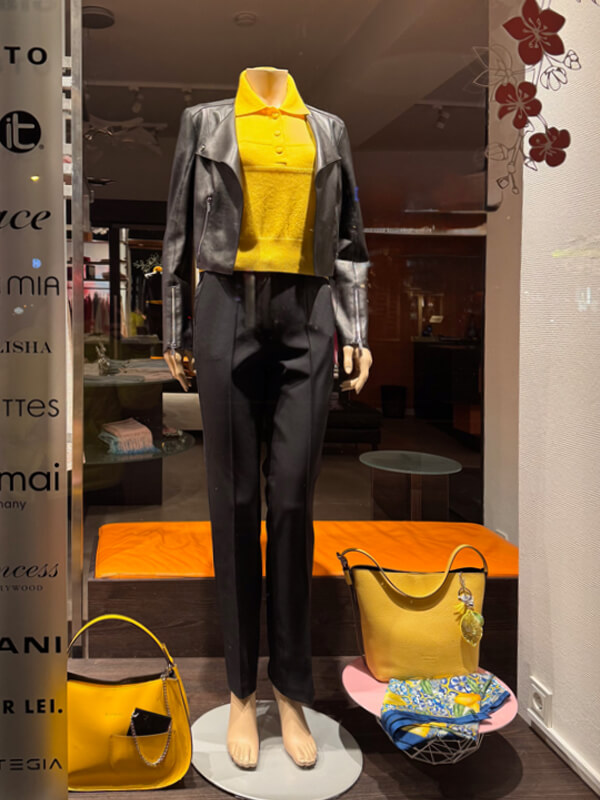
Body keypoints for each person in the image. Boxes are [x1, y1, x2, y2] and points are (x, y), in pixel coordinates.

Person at [162, 66, 371, 769]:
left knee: (292, 505)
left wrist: (356, 329)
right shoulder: (207, 121)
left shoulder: (328, 129)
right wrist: (175, 325)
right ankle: (239, 691)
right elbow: (178, 230)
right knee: (233, 502)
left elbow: (349, 243)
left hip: (308, 310)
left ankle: (290, 691)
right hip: (226, 303)